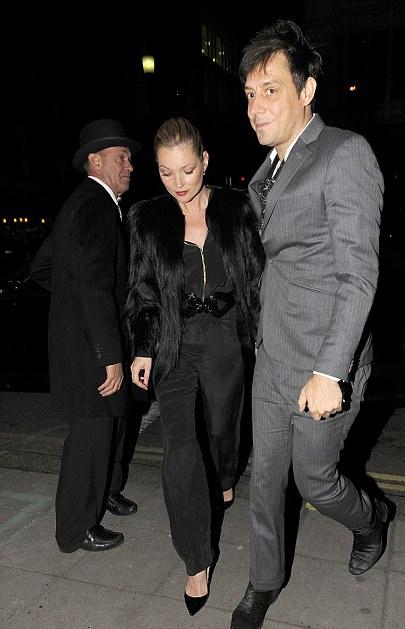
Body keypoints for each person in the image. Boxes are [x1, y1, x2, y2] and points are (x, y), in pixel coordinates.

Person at [230, 20, 387, 629]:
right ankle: (263, 580)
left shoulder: (345, 154)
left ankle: (371, 519)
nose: (256, 107)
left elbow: (358, 276)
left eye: (270, 90)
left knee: (316, 481)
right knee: (265, 479)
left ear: (307, 90)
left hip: (323, 362)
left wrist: (329, 370)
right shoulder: (266, 171)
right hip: (272, 356)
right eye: (250, 94)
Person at [126, 117, 264, 616]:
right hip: (174, 342)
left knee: (223, 427)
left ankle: (225, 473)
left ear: (205, 161)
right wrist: (143, 347)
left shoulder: (237, 209)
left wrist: (267, 339)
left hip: (225, 337)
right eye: (166, 173)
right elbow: (143, 290)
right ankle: (196, 559)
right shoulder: (147, 218)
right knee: (180, 445)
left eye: (187, 170)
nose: (178, 183)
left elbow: (256, 279)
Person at [30, 119, 140, 553]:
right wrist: (107, 352)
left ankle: (106, 492)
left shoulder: (80, 203)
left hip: (84, 340)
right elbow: (94, 285)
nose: (130, 165)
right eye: (121, 157)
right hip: (92, 349)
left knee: (112, 425)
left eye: (129, 157)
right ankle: (75, 530)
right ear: (95, 161)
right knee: (89, 440)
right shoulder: (96, 206)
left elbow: (44, 268)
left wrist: (71, 307)